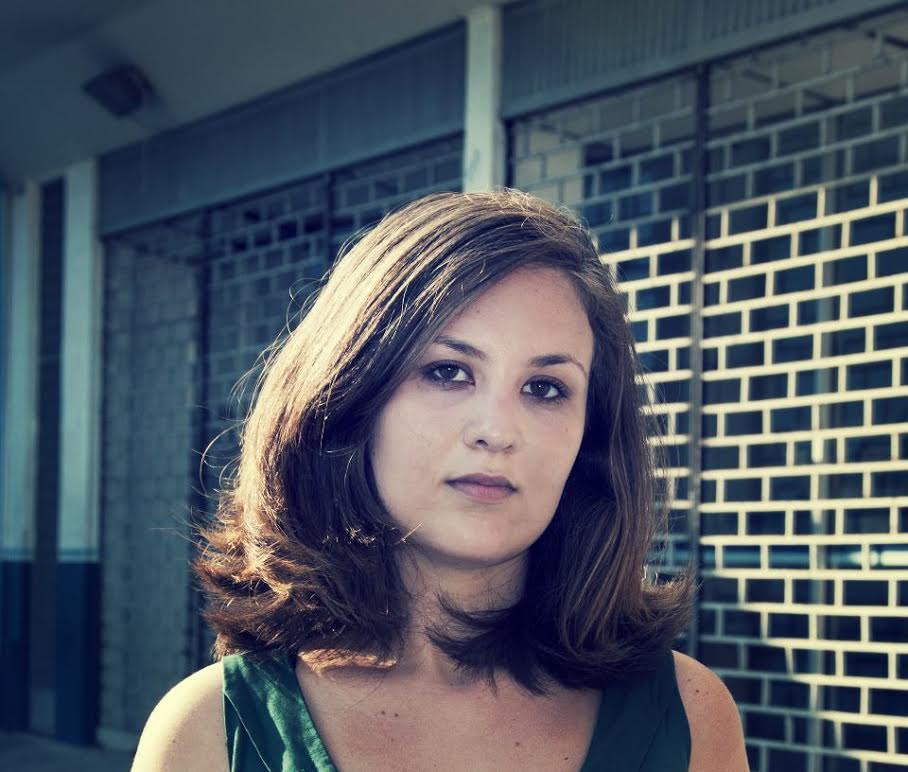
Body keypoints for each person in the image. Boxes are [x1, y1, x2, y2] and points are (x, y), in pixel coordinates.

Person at [131, 188, 749, 771]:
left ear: (588, 437)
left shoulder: (689, 714)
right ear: (349, 398)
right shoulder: (209, 731)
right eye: (448, 372)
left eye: (544, 388)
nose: (497, 430)